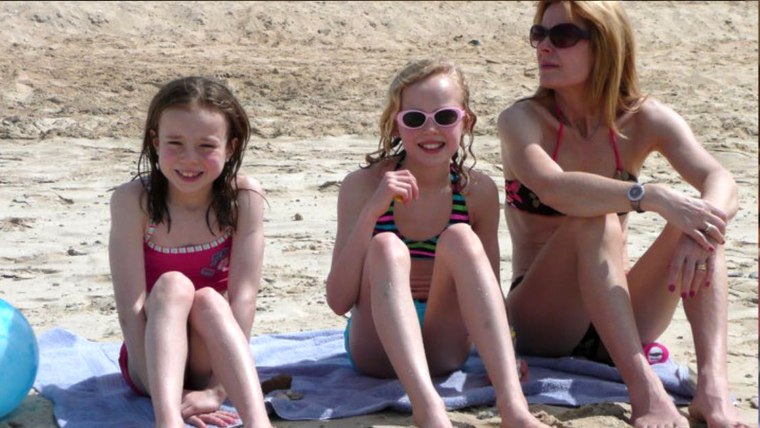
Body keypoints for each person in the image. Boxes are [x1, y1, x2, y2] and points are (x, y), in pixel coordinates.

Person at [498, 2, 745, 428]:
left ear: (605, 45)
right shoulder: (522, 120)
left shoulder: (643, 117)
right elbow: (556, 187)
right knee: (597, 216)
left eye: (562, 37)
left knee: (703, 224)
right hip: (543, 319)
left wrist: (698, 220)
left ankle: (713, 390)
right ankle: (645, 393)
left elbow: (721, 178)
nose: (544, 48)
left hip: (622, 314)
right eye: (539, 35)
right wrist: (648, 195)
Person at [326, 58, 549, 428]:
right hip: (376, 348)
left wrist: (505, 355)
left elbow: (486, 289)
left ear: (466, 121)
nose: (430, 130)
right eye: (415, 119)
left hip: (444, 345)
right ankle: (427, 410)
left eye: (444, 117)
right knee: (387, 247)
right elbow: (338, 301)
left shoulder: (476, 192)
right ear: (395, 124)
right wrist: (371, 213)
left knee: (460, 236)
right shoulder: (362, 186)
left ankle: (513, 407)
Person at [109, 76, 272, 428]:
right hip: (149, 356)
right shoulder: (132, 201)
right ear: (155, 141)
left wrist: (217, 389)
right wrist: (157, 388)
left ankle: (259, 422)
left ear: (231, 146)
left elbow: (244, 299)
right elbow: (131, 309)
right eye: (175, 143)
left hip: (212, 355)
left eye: (205, 146)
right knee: (172, 286)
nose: (189, 159)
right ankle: (167, 422)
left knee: (212, 300)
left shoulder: (243, 198)